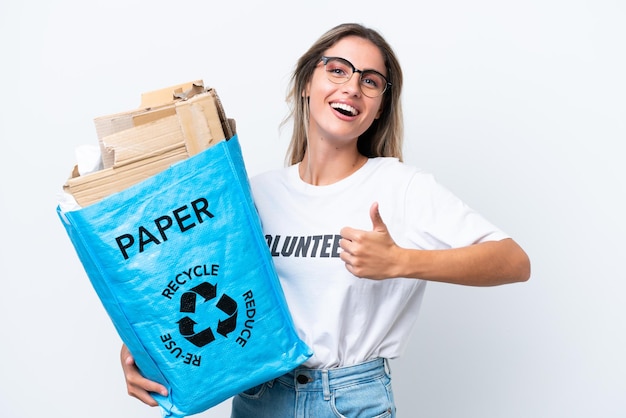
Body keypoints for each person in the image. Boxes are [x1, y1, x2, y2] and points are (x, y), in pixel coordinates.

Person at [120, 22, 531, 417]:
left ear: (379, 106)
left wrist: (400, 262)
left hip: (350, 401)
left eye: (370, 81)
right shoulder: (255, 194)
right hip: (258, 396)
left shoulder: (400, 187)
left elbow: (514, 261)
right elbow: (199, 283)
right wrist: (145, 345)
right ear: (305, 85)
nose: (352, 86)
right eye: (337, 70)